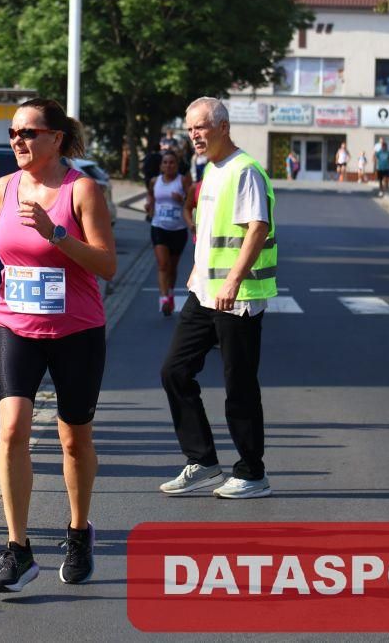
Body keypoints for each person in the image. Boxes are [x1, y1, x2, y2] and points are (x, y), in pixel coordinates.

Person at [0, 98, 116, 593]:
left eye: (28, 133)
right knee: (12, 429)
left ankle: (78, 532)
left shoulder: (82, 190)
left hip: (76, 329)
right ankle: (18, 551)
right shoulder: (3, 187)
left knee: (74, 439)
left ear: (56, 138)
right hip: (14, 323)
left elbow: (106, 265)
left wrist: (56, 235)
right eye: (13, 133)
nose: (18, 141)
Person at [159, 96, 277, 500]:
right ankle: (204, 461)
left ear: (223, 127)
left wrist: (233, 281)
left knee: (239, 385)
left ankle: (252, 473)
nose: (194, 135)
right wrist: (198, 271)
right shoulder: (210, 169)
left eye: (201, 127)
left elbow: (257, 229)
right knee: (174, 371)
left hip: (238, 297)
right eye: (190, 128)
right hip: (205, 293)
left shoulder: (245, 170)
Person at [146, 150, 192, 316]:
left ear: (177, 165)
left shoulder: (182, 181)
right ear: (161, 166)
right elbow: (151, 196)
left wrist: (182, 199)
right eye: (165, 162)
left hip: (178, 230)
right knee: (163, 265)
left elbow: (191, 201)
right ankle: (164, 298)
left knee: (172, 267)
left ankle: (170, 292)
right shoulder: (155, 181)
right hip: (159, 227)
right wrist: (149, 206)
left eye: (172, 162)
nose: (168, 165)